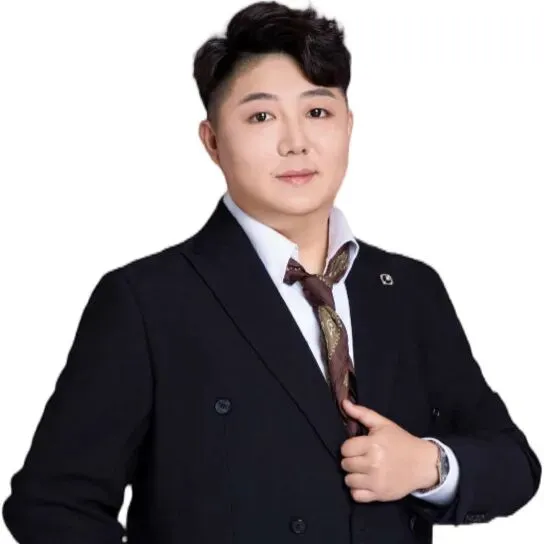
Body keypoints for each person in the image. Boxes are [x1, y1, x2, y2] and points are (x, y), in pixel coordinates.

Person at [3, 2, 540, 543]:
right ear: (212, 140)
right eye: (261, 117)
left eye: (318, 111)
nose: (296, 142)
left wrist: (430, 465)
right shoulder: (147, 302)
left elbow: (514, 463)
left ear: (349, 125)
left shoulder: (409, 289)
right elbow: (52, 505)